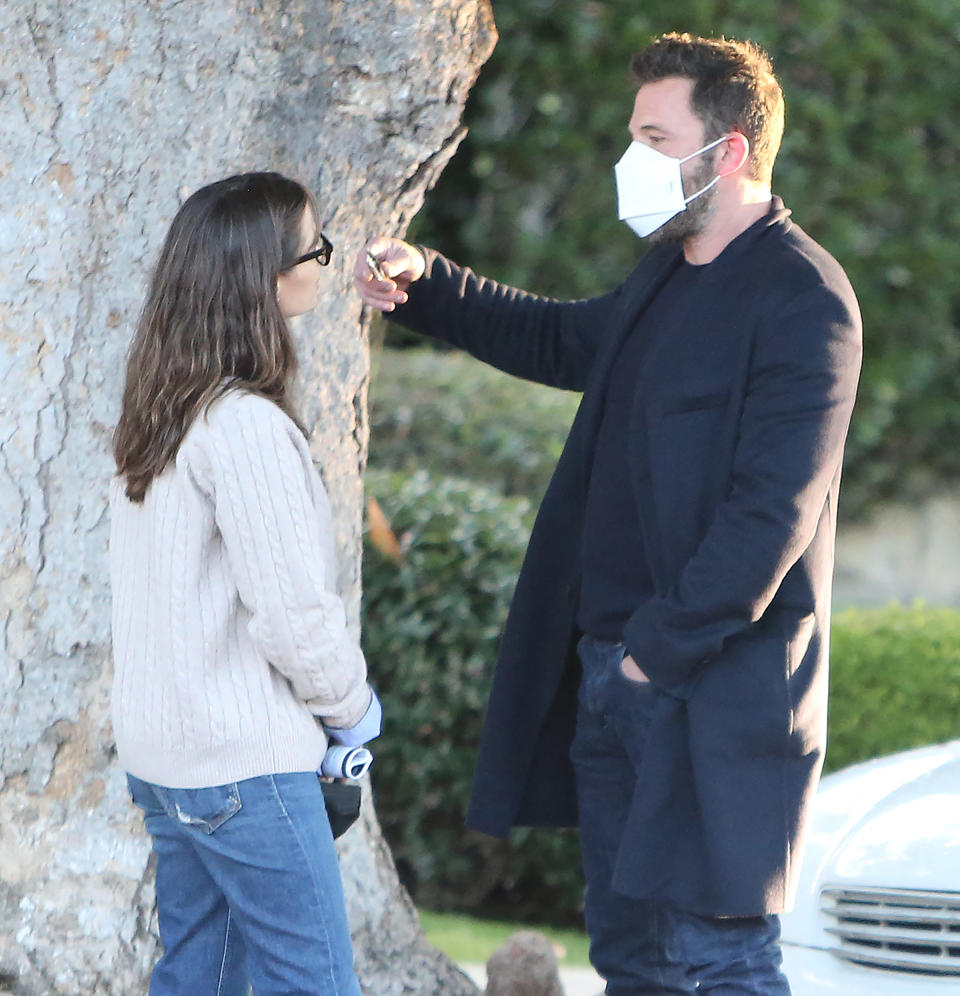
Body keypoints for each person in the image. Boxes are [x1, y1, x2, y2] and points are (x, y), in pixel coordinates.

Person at [354, 33, 861, 996]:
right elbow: (560, 336)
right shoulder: (666, 277)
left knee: (715, 962)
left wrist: (649, 659)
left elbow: (771, 518)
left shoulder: (806, 300)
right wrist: (429, 282)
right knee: (630, 962)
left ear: (732, 150)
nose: (631, 159)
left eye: (653, 136)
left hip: (708, 695)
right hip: (617, 678)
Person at [111, 171, 380, 996]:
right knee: (316, 984)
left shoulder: (161, 415)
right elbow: (294, 616)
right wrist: (354, 711)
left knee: (199, 979)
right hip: (244, 767)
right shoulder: (248, 427)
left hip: (166, 763)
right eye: (316, 247)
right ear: (267, 274)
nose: (324, 263)